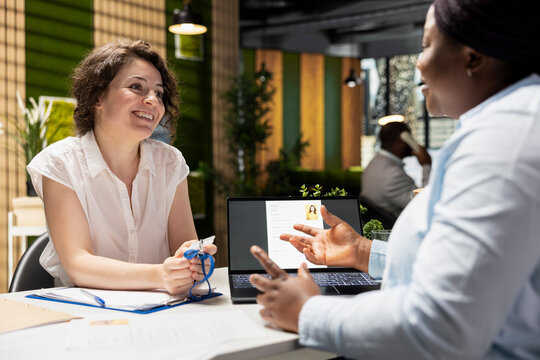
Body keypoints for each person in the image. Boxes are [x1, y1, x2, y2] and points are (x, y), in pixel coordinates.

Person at [249, 0, 540, 358]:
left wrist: (307, 312)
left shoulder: (503, 141)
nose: (419, 63)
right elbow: (472, 271)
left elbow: (442, 325)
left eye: (427, 45)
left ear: (474, 57)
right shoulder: (506, 129)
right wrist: (363, 251)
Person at [27, 39, 217, 295]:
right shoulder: (60, 163)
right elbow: (79, 265)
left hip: (164, 311)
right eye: (137, 87)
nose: (152, 100)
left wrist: (192, 260)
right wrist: (160, 275)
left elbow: (184, 245)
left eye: (159, 93)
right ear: (97, 97)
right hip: (87, 315)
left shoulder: (170, 163)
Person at [361, 121, 431, 218]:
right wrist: (426, 165)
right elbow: (424, 203)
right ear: (401, 140)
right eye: (410, 137)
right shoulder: (394, 176)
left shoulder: (373, 164)